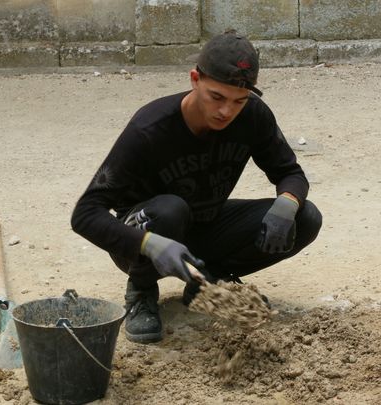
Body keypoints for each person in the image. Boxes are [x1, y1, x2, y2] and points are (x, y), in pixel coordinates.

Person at [71, 31, 322, 344]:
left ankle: (206, 282)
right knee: (171, 209)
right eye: (216, 97)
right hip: (145, 233)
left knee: (305, 217)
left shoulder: (253, 116)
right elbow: (85, 214)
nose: (226, 111)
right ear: (194, 79)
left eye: (238, 101)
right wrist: (148, 244)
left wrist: (287, 201)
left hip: (205, 224)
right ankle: (141, 290)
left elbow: (290, 173)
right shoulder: (150, 128)